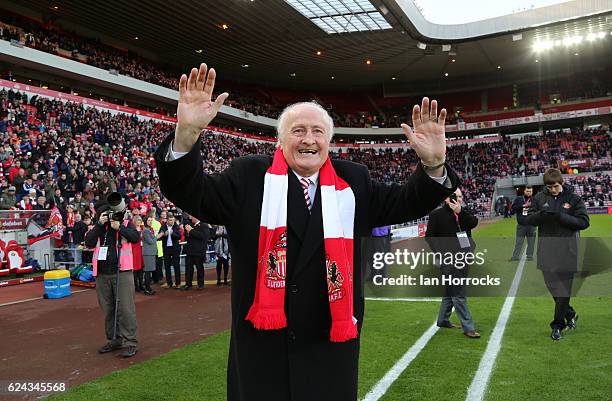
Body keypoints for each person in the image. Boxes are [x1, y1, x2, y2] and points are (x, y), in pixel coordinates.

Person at [154, 63, 459, 401]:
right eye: (298, 130)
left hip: (329, 350)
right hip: (262, 353)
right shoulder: (249, 176)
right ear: (281, 139)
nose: (308, 140)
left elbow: (406, 202)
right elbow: (190, 191)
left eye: (317, 131)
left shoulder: (353, 181)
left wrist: (433, 165)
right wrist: (186, 136)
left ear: (329, 140)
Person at [519, 168, 589, 341]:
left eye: (555, 187)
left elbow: (584, 222)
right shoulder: (539, 198)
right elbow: (527, 219)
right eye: (549, 187)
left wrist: (561, 216)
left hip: (568, 251)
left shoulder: (574, 199)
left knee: (563, 290)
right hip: (546, 251)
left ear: (562, 183)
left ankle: (558, 326)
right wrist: (542, 215)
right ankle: (570, 314)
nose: (552, 190)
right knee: (553, 288)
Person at [84, 199, 140, 358]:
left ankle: (130, 342)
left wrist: (119, 227)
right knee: (108, 310)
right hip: (102, 274)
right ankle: (115, 340)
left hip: (121, 273)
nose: (108, 216)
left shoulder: (125, 223)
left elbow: (135, 237)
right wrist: (99, 225)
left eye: (110, 213)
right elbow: (88, 242)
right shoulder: (99, 228)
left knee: (125, 309)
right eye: (104, 214)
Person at [425, 188, 480, 338]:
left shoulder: (463, 212)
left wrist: (460, 211)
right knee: (458, 292)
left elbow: (474, 223)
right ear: (446, 198)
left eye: (461, 196)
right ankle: (468, 327)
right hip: (449, 259)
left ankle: (443, 320)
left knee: (451, 290)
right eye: (456, 196)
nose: (459, 199)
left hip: (465, 256)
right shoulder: (437, 215)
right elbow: (430, 237)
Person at [182, 214, 210, 290]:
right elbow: (186, 234)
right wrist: (188, 232)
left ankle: (201, 284)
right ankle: (188, 284)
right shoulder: (190, 224)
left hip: (199, 251)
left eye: (192, 216)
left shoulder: (204, 225)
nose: (190, 217)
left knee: (199, 268)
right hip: (190, 250)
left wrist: (191, 231)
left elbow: (203, 236)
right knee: (188, 269)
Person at [509, 185, 536, 261]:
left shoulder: (534, 199)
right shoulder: (519, 199)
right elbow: (513, 208)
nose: (528, 193)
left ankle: (530, 256)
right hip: (521, 225)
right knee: (519, 242)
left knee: (531, 242)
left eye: (530, 191)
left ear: (532, 192)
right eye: (527, 191)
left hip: (532, 225)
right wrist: (523, 205)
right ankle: (515, 256)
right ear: (524, 191)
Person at [160, 212, 181, 288]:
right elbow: (159, 237)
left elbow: (179, 236)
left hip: (175, 249)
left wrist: (173, 233)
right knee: (167, 266)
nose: (172, 221)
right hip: (166, 249)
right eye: (170, 220)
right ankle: (169, 283)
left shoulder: (176, 226)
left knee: (176, 266)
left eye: (173, 220)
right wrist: (164, 235)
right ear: (167, 220)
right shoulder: (163, 226)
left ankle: (178, 283)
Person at [141, 216, 158, 295]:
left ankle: (148, 288)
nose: (150, 221)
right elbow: (150, 241)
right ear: (145, 221)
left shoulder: (148, 230)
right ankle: (147, 289)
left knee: (149, 271)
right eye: (149, 220)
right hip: (148, 254)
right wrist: (158, 236)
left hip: (150, 253)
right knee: (147, 272)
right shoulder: (146, 230)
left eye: (151, 220)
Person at [132, 214, 145, 292]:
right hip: (135, 250)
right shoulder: (132, 229)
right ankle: (136, 286)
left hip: (142, 249)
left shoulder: (143, 228)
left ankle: (141, 284)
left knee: (141, 268)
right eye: (138, 220)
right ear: (134, 221)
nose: (139, 221)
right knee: (136, 269)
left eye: (140, 220)